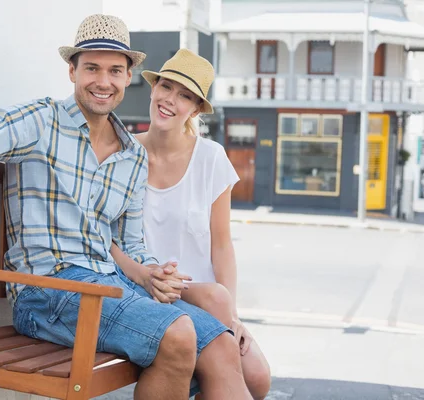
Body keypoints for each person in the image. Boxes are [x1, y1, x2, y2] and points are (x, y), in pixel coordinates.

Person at [0, 14, 253, 400]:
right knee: (178, 334)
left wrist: (153, 273)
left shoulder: (132, 157)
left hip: (111, 286)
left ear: (128, 76)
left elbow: (131, 247)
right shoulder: (42, 121)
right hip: (46, 293)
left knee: (221, 344)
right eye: (91, 68)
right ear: (72, 71)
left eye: (115, 70)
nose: (103, 81)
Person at [110, 49, 272, 399]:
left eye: (185, 95)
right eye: (166, 87)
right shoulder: (124, 155)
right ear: (152, 89)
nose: (170, 100)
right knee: (228, 360)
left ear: (196, 109)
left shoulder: (210, 157)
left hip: (205, 299)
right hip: (146, 288)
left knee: (259, 377)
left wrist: (234, 317)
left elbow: (222, 245)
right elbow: (109, 236)